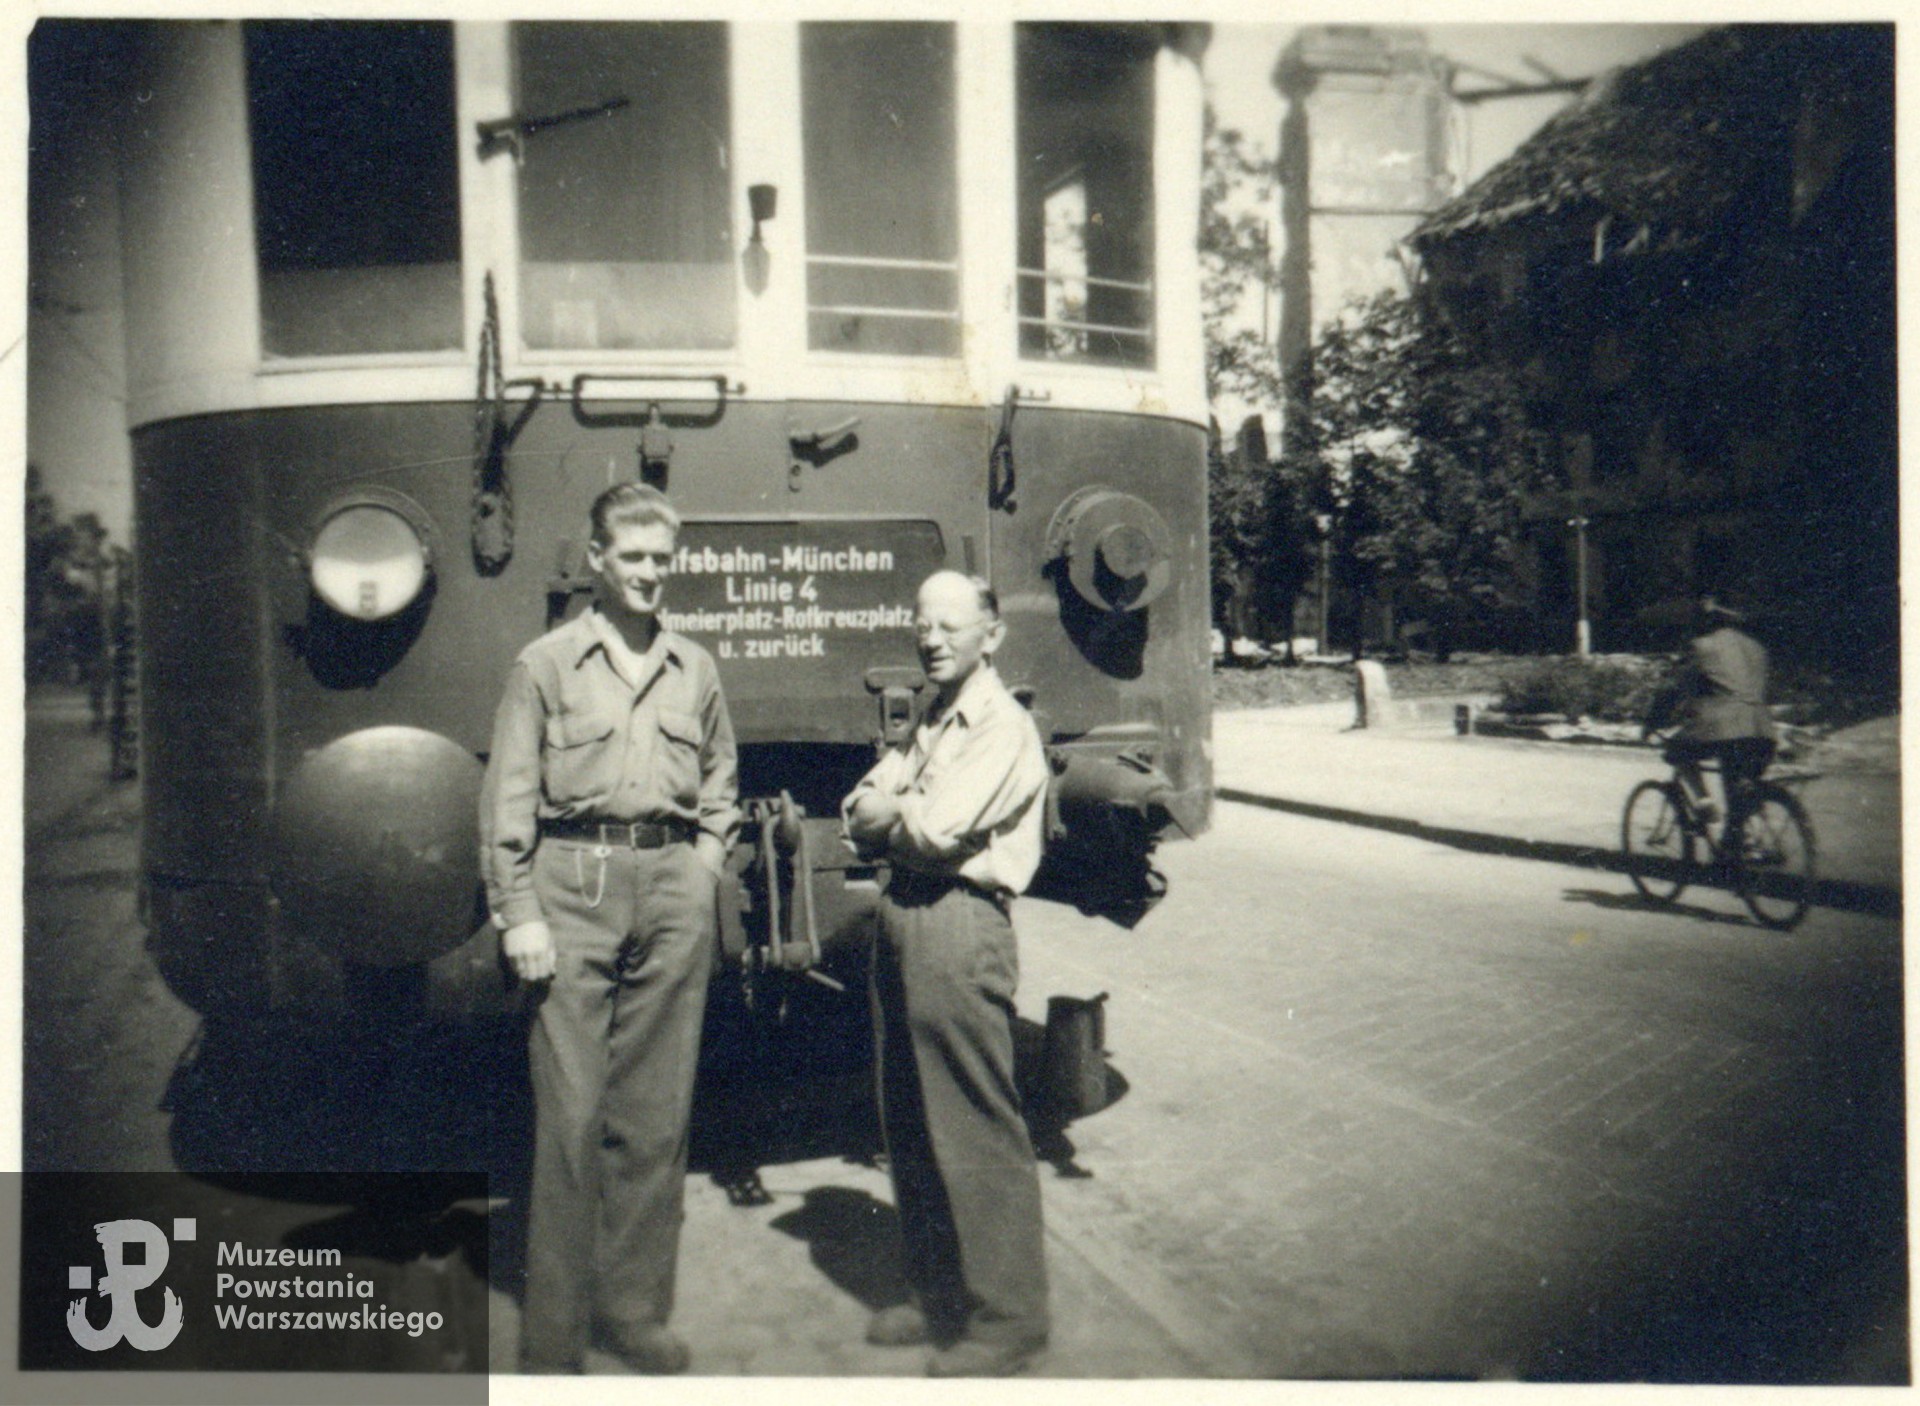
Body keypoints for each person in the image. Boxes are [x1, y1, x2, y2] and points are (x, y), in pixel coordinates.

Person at [479, 482, 739, 1375]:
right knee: (572, 1116)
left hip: (670, 886)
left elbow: (721, 778)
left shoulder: (694, 667)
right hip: (572, 886)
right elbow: (508, 797)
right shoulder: (546, 665)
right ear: (597, 559)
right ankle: (553, 1338)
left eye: (662, 559)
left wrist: (703, 866)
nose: (649, 574)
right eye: (632, 557)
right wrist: (518, 911)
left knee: (655, 1117)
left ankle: (630, 1310)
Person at [842, 570, 1052, 1377]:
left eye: (949, 626)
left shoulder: (1002, 726)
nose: (930, 639)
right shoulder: (935, 716)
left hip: (960, 923)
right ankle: (938, 1294)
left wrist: (891, 812)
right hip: (906, 913)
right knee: (910, 1115)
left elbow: (930, 828)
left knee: (972, 1122)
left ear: (990, 636)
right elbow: (860, 806)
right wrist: (891, 812)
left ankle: (1008, 1321)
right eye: (922, 624)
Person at [1643, 593, 1775, 825]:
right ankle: (1739, 837)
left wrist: (1652, 721)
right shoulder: (1757, 649)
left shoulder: (1703, 647)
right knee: (1737, 791)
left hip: (1723, 730)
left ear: (1707, 620)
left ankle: (1704, 803)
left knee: (1677, 749)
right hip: (1763, 731)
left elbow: (1673, 688)